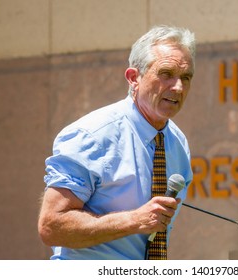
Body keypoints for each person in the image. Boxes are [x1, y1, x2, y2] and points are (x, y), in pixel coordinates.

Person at [38, 26, 196, 260]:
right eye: (166, 74)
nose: (178, 87)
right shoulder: (92, 135)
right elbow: (52, 226)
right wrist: (134, 220)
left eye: (185, 77)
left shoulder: (178, 143)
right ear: (134, 78)